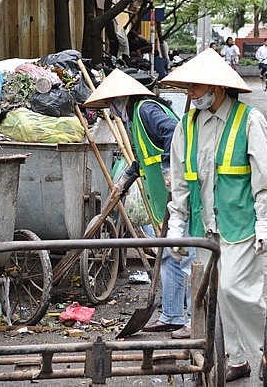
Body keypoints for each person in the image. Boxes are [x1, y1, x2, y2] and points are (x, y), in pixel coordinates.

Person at [160, 48, 267, 382]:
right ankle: (235, 358)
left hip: (240, 223)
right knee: (214, 294)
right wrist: (178, 224)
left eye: (195, 86)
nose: (190, 92)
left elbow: (265, 178)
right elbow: (182, 180)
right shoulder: (187, 125)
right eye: (188, 87)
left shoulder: (249, 120)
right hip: (203, 224)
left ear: (219, 88)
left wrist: (265, 221)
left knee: (235, 289)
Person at [82, 69, 196, 340]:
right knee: (168, 254)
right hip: (166, 198)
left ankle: (193, 319)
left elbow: (174, 133)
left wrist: (169, 168)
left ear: (123, 97)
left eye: (112, 102)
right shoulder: (135, 117)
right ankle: (171, 315)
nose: (111, 108)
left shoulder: (146, 110)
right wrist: (127, 179)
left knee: (190, 254)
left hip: (184, 192)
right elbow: (144, 156)